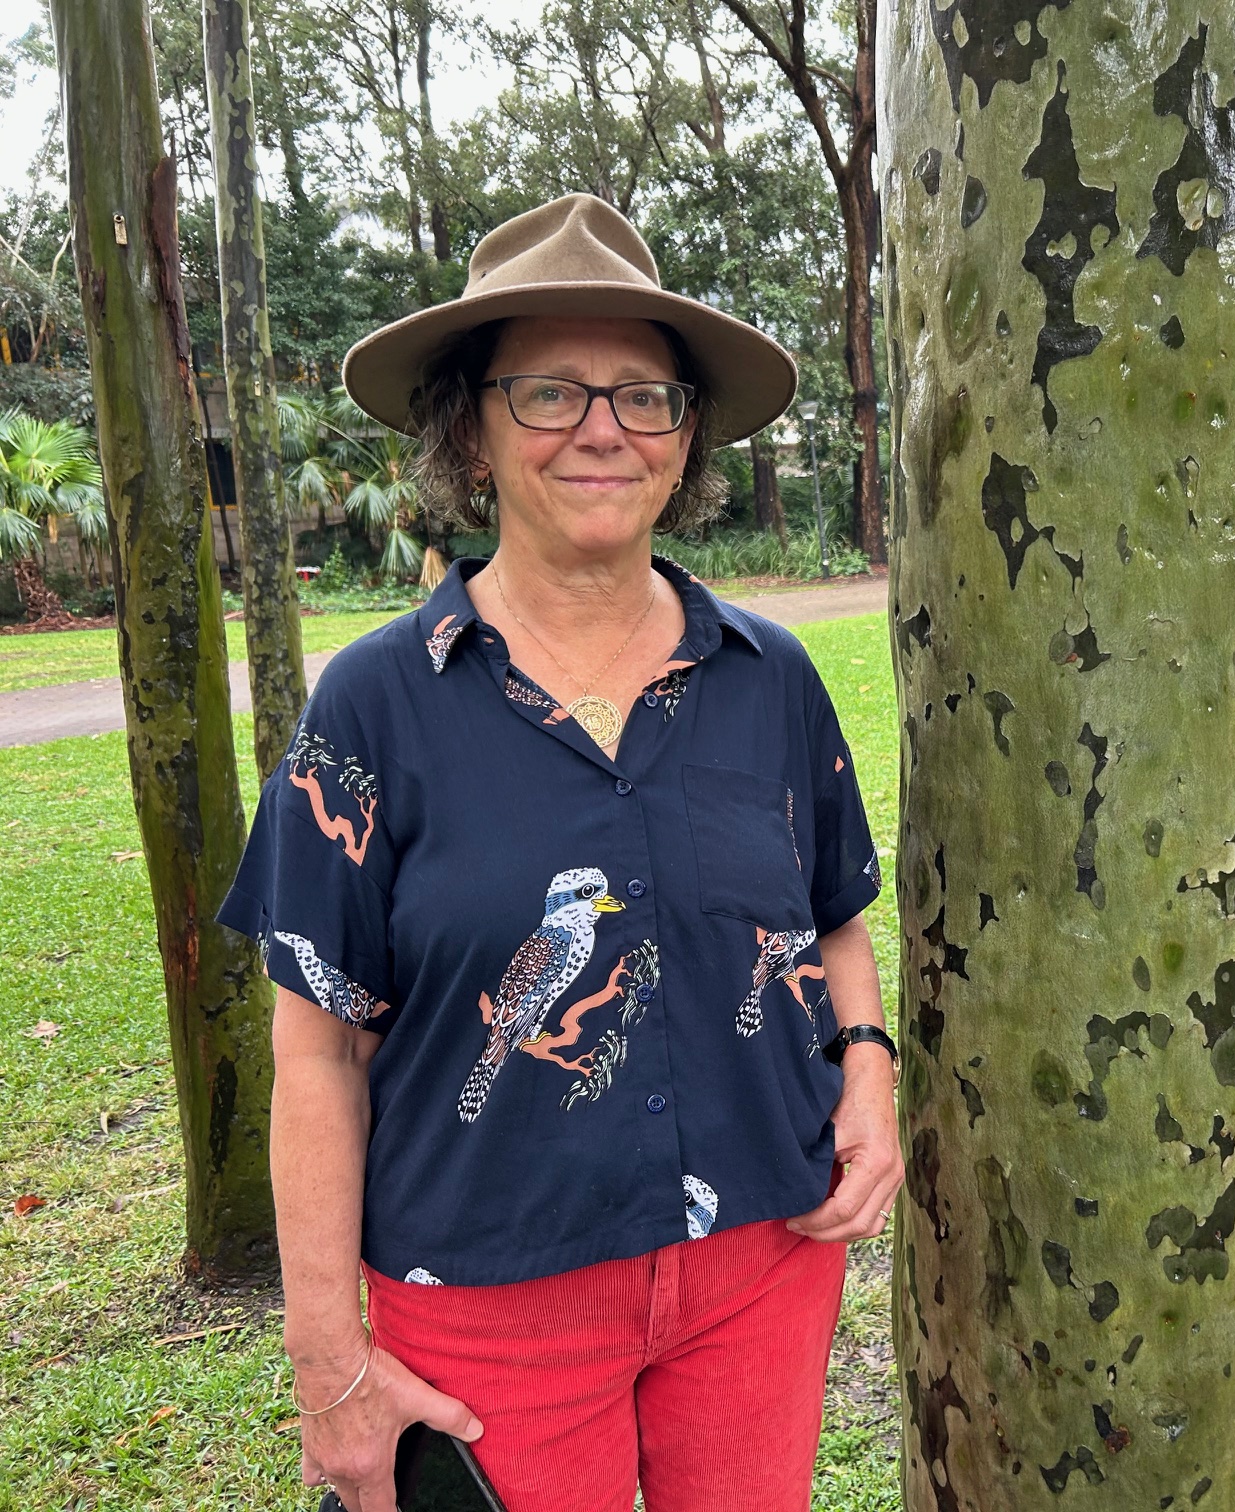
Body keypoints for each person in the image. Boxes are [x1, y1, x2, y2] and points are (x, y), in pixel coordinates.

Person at [219, 194, 903, 1512]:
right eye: (548, 392)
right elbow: (315, 1053)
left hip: (763, 1261)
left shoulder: (772, 678)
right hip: (488, 1298)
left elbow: (832, 917)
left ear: (685, 435)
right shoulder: (374, 706)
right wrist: (329, 1366)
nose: (602, 427)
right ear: (471, 429)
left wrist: (866, 1070)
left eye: (644, 396)